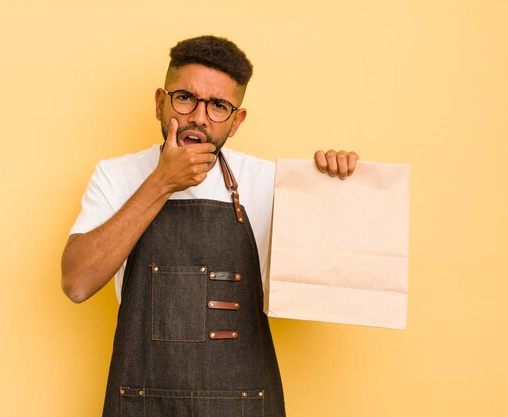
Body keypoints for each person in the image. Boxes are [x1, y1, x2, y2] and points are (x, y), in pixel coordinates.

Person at [61, 35, 358, 417]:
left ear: (236, 122)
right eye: (185, 97)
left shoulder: (267, 181)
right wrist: (161, 182)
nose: (199, 117)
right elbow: (77, 282)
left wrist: (336, 187)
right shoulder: (117, 175)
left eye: (219, 106)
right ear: (159, 103)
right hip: (143, 404)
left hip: (243, 404)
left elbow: (327, 285)